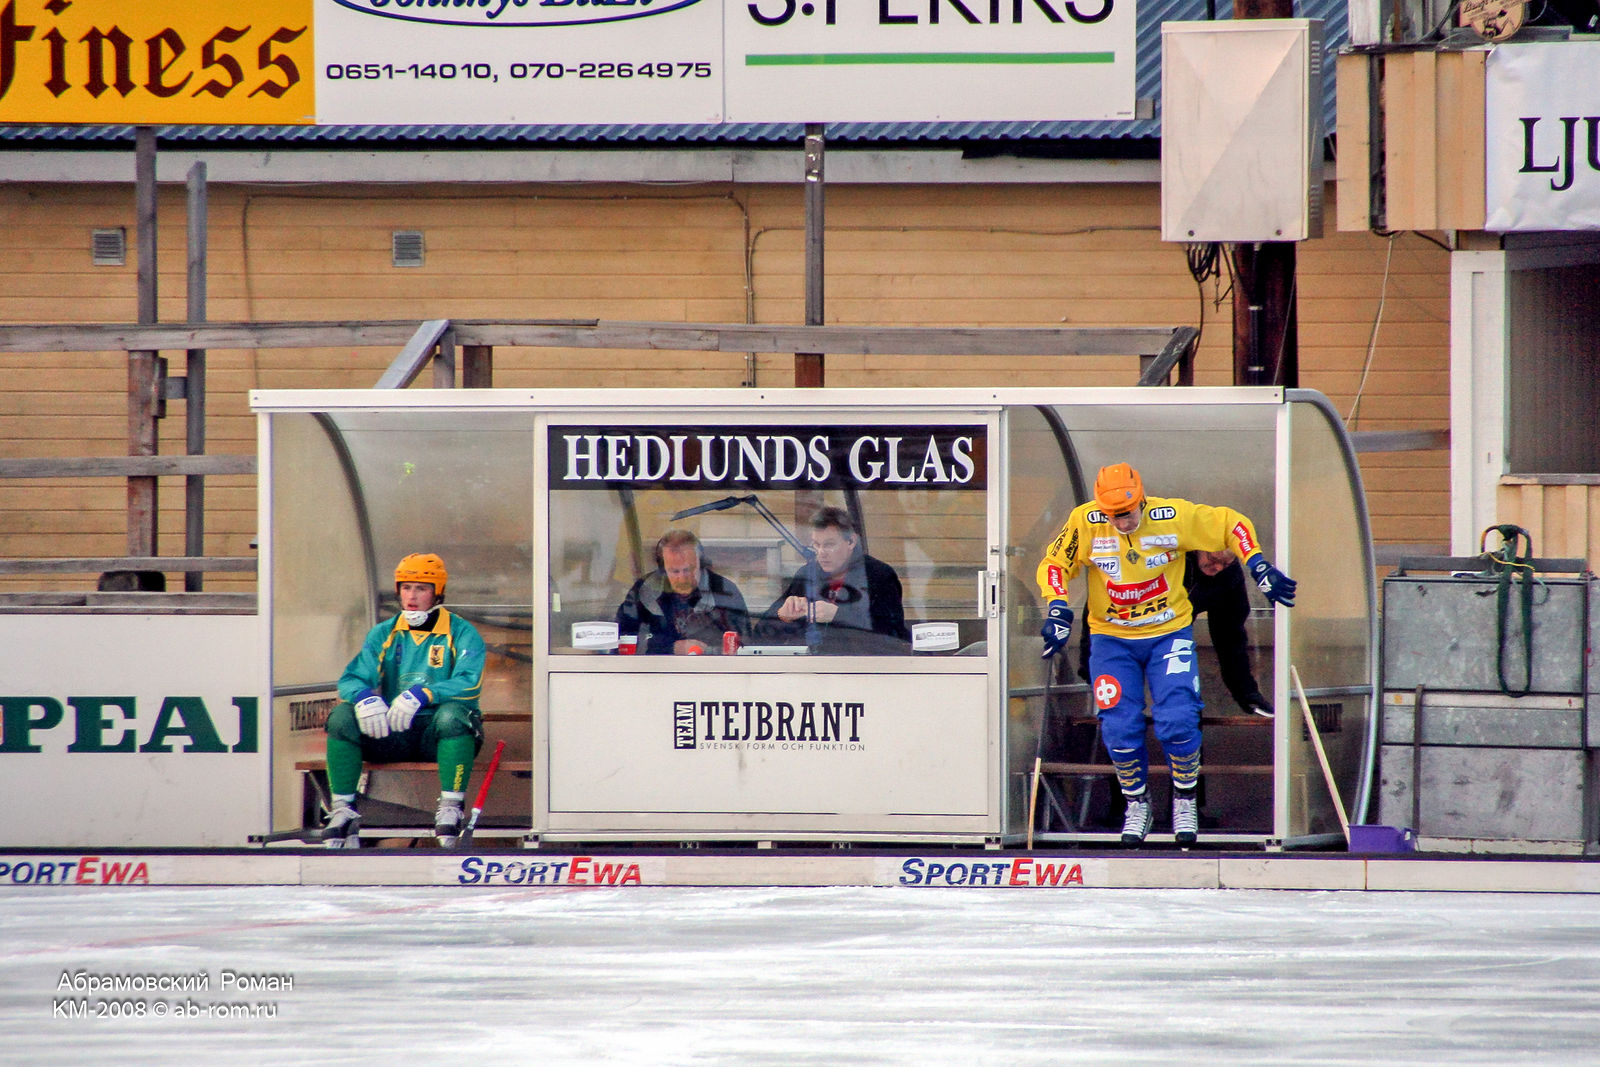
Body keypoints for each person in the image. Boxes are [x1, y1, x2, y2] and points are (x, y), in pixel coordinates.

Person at [1038, 464, 1295, 846]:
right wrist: (1058, 607)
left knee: (1178, 718)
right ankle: (1136, 804)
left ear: (1141, 500)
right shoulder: (1086, 521)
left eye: (1127, 513)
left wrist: (1257, 564)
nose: (1122, 522)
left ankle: (1185, 799)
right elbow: (1055, 563)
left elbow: (1232, 523)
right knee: (1118, 726)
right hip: (1111, 639)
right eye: (1113, 515)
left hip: (1168, 635)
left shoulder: (1171, 517)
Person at [322, 553, 487, 849]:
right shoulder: (384, 632)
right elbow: (351, 678)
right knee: (342, 717)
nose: (411, 596)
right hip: (392, 733)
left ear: (438, 592)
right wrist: (363, 697)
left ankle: (451, 807)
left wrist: (424, 694)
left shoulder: (462, 632)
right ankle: (343, 810)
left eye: (421, 588)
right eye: (406, 587)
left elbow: (469, 681)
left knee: (453, 716)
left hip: (437, 735)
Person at [1078, 548, 1273, 718]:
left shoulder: (1228, 575)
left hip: (1172, 635)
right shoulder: (1163, 554)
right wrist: (1089, 662)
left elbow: (1230, 635)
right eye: (1213, 559)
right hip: (1124, 629)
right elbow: (1099, 605)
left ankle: (1188, 748)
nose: (1218, 567)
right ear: (1197, 546)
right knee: (1121, 710)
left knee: (1182, 707)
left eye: (1226, 562)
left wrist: (1246, 691)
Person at [766, 505, 910, 647]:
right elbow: (759, 636)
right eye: (816, 545)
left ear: (851, 542)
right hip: (812, 659)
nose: (821, 553)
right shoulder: (807, 574)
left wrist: (839, 615)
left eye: (829, 545)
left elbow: (894, 635)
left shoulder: (879, 576)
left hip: (861, 660)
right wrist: (781, 616)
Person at [615, 529, 749, 654]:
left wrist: (709, 651)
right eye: (675, 571)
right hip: (657, 669)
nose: (682, 578)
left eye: (688, 570)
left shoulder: (724, 592)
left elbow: (744, 645)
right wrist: (670, 647)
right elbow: (623, 639)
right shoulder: (644, 591)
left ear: (700, 564)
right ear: (663, 570)